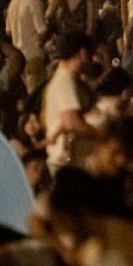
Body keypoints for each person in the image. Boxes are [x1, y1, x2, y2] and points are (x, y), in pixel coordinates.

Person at [43, 32, 94, 171]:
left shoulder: (69, 79)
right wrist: (100, 136)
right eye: (91, 54)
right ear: (82, 53)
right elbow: (71, 121)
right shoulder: (64, 81)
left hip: (67, 161)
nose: (92, 59)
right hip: (64, 163)